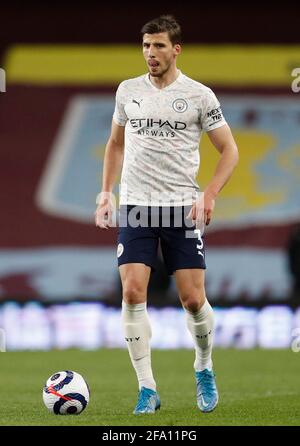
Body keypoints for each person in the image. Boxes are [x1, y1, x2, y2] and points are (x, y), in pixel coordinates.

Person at [95, 15, 239, 414]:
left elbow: (230, 150)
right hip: (137, 206)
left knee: (193, 300)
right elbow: (114, 144)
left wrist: (209, 194)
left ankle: (204, 367)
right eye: (145, 45)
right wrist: (105, 193)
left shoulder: (199, 95)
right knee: (132, 292)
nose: (150, 54)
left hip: (180, 207)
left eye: (158, 46)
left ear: (176, 49)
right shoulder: (128, 91)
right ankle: (147, 389)